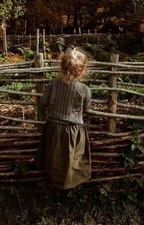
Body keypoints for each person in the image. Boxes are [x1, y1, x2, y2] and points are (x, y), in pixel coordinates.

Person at [36, 48, 92, 190]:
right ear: (82, 69)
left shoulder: (54, 84)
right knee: (72, 158)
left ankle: (52, 182)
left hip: (53, 127)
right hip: (73, 130)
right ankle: (68, 184)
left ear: (62, 66)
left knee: (53, 156)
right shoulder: (84, 89)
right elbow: (86, 109)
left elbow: (42, 102)